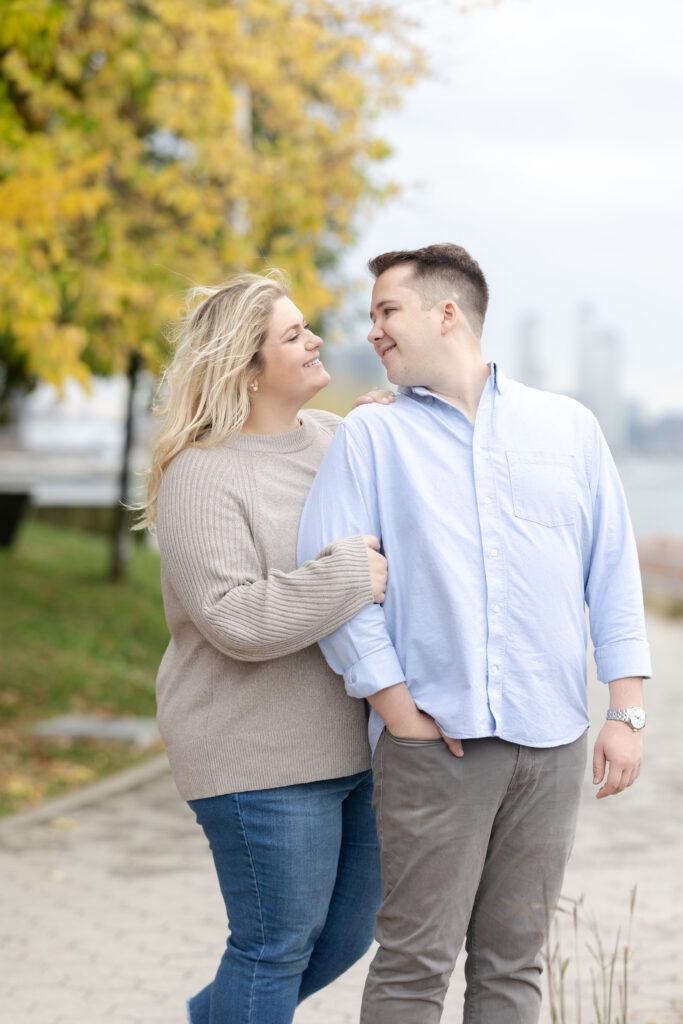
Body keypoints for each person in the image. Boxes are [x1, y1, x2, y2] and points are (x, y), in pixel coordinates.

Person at [297, 243, 652, 1023]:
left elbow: (611, 574)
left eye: (387, 311)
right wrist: (398, 714)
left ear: (445, 313)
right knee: (415, 964)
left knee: (513, 964)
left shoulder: (568, 429)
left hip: (552, 744)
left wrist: (623, 714)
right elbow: (335, 586)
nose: (374, 332)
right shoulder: (371, 438)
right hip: (435, 747)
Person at [135, 270, 392, 1024]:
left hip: (358, 742)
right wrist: (349, 573)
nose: (316, 341)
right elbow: (233, 618)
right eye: (292, 335)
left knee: (345, 936)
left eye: (306, 327)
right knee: (272, 946)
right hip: (255, 757)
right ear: (247, 371)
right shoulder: (200, 474)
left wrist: (393, 426)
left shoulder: (338, 440)